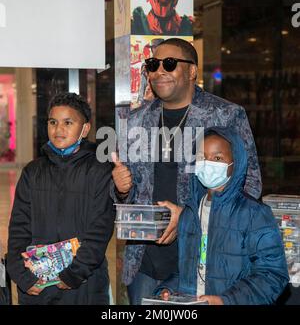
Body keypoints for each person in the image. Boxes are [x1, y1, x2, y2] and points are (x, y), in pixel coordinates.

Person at [111, 38, 262, 305]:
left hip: (203, 262)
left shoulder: (225, 115)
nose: (159, 71)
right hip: (145, 264)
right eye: (152, 64)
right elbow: (129, 192)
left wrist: (191, 218)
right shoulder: (136, 120)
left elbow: (250, 186)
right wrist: (121, 188)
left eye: (169, 64)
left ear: (192, 71)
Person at [155, 127, 289, 305]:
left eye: (217, 158)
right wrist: (169, 289)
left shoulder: (254, 214)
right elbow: (188, 270)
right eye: (202, 158)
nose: (208, 163)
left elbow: (272, 274)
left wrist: (227, 300)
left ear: (235, 164)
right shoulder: (190, 213)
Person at [7, 93, 115, 305]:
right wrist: (22, 275)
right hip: (37, 286)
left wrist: (74, 274)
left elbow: (100, 230)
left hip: (83, 286)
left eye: (68, 122)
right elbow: (19, 227)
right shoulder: (33, 172)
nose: (58, 130)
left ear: (84, 129)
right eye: (53, 122)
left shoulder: (99, 171)